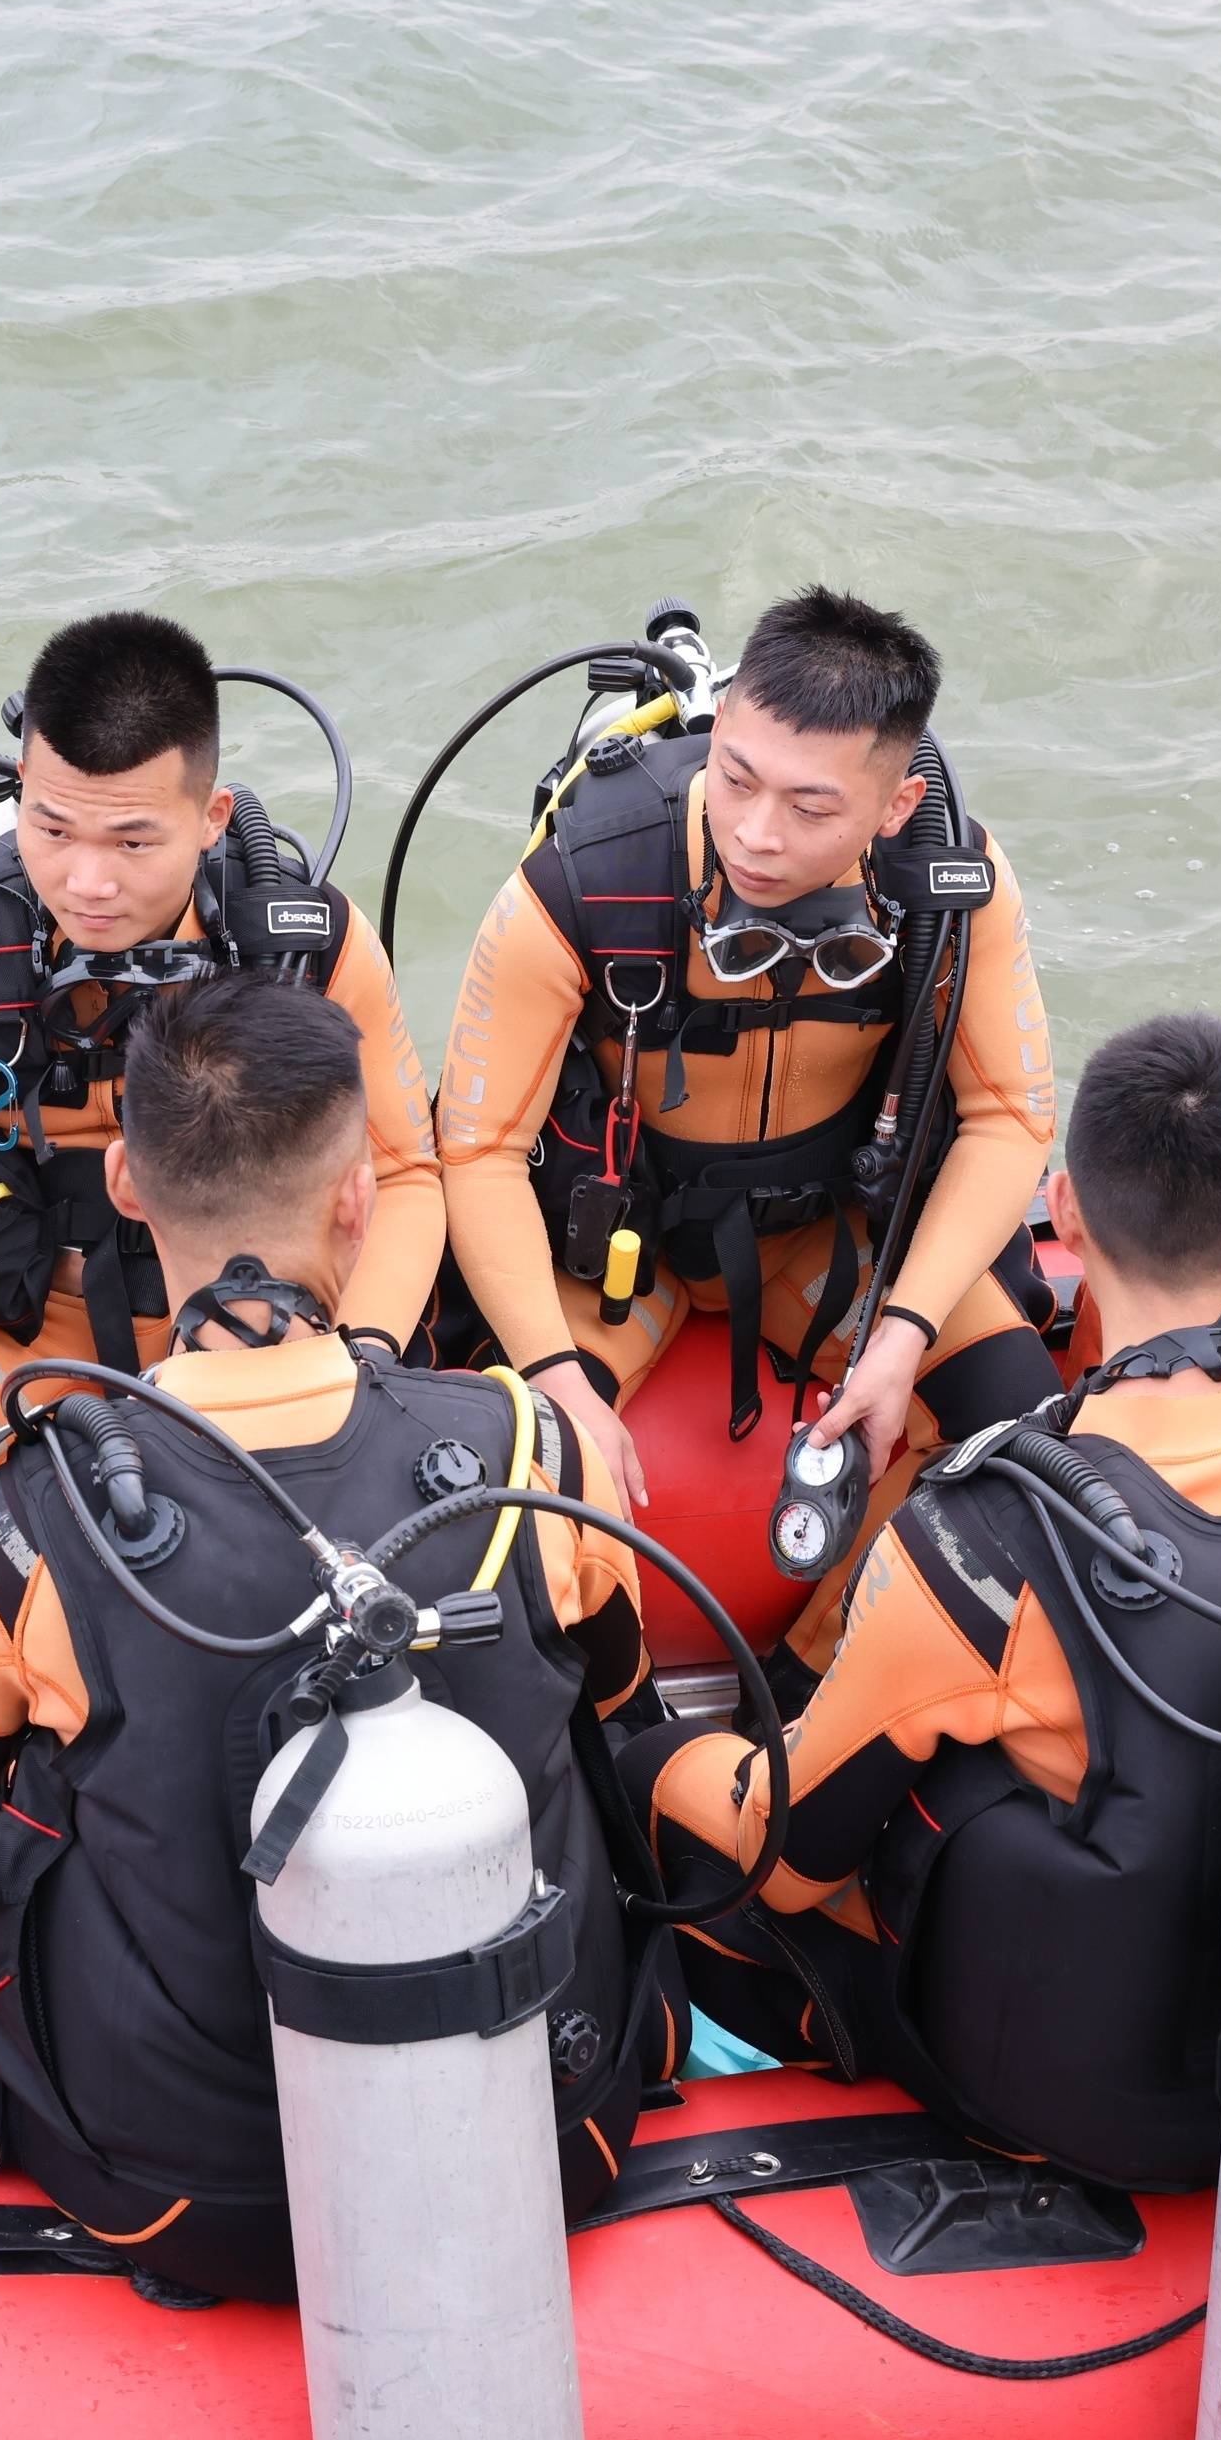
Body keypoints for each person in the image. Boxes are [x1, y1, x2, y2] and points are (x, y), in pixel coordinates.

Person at [0, 975, 677, 2304]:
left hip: (185, 2198)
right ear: (359, 1203)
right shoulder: (532, 1450)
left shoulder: (30, 1512)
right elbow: (621, 1725)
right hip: (554, 2139)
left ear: (129, 1192)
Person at [620, 1013, 1221, 2190]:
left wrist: (651, 1754)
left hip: (1090, 2114)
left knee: (683, 1793)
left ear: (1066, 1214)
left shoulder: (983, 1539)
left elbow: (785, 1861)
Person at [0, 612, 443, 1767]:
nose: (85, 880)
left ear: (211, 816)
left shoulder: (307, 944)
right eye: (51, 825)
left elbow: (412, 1177)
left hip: (256, 1328)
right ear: (21, 786)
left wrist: (363, 1366)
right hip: (24, 1332)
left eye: (133, 842)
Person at [435, 587, 1063, 1704]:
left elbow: (1010, 1115)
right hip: (617, 1254)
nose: (759, 834)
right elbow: (477, 1149)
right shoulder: (584, 880)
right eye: (735, 779)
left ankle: (814, 1692)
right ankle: (621, 1738)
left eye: (812, 807)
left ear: (892, 804)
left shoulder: (950, 887)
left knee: (1020, 1436)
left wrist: (905, 1336)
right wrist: (560, 1381)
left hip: (827, 1243)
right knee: (498, 1469)